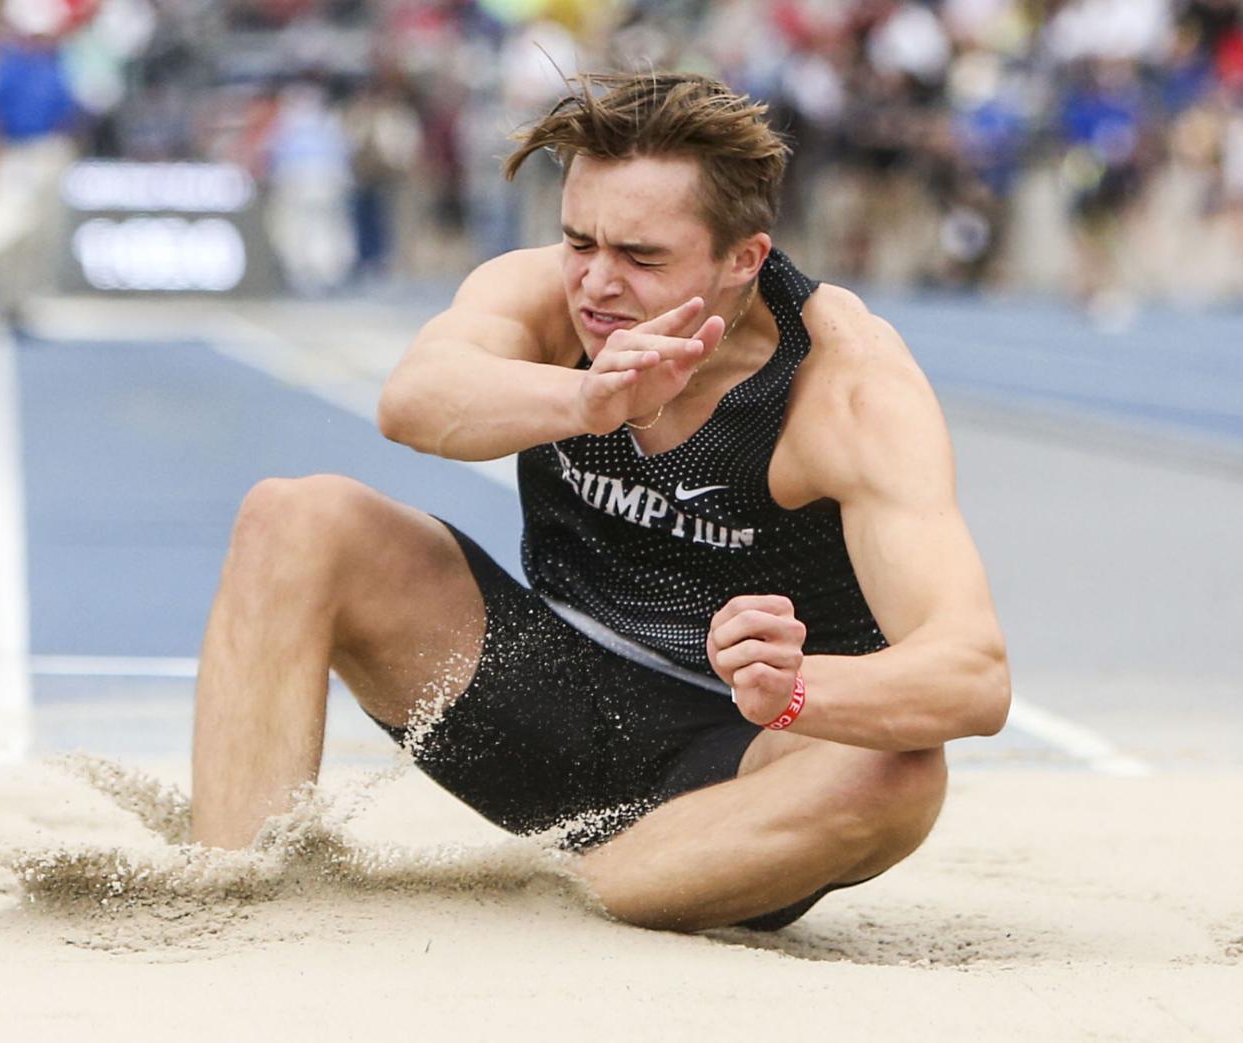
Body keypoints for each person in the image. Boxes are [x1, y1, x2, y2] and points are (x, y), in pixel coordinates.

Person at [190, 71, 1011, 933]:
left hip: (735, 771)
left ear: (743, 259)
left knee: (899, 777)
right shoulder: (555, 297)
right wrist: (584, 401)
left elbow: (973, 674)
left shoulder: (844, 389)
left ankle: (580, 897)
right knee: (294, 517)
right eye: (579, 242)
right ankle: (227, 891)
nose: (597, 284)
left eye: (642, 257)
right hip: (533, 704)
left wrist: (796, 691)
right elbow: (413, 400)